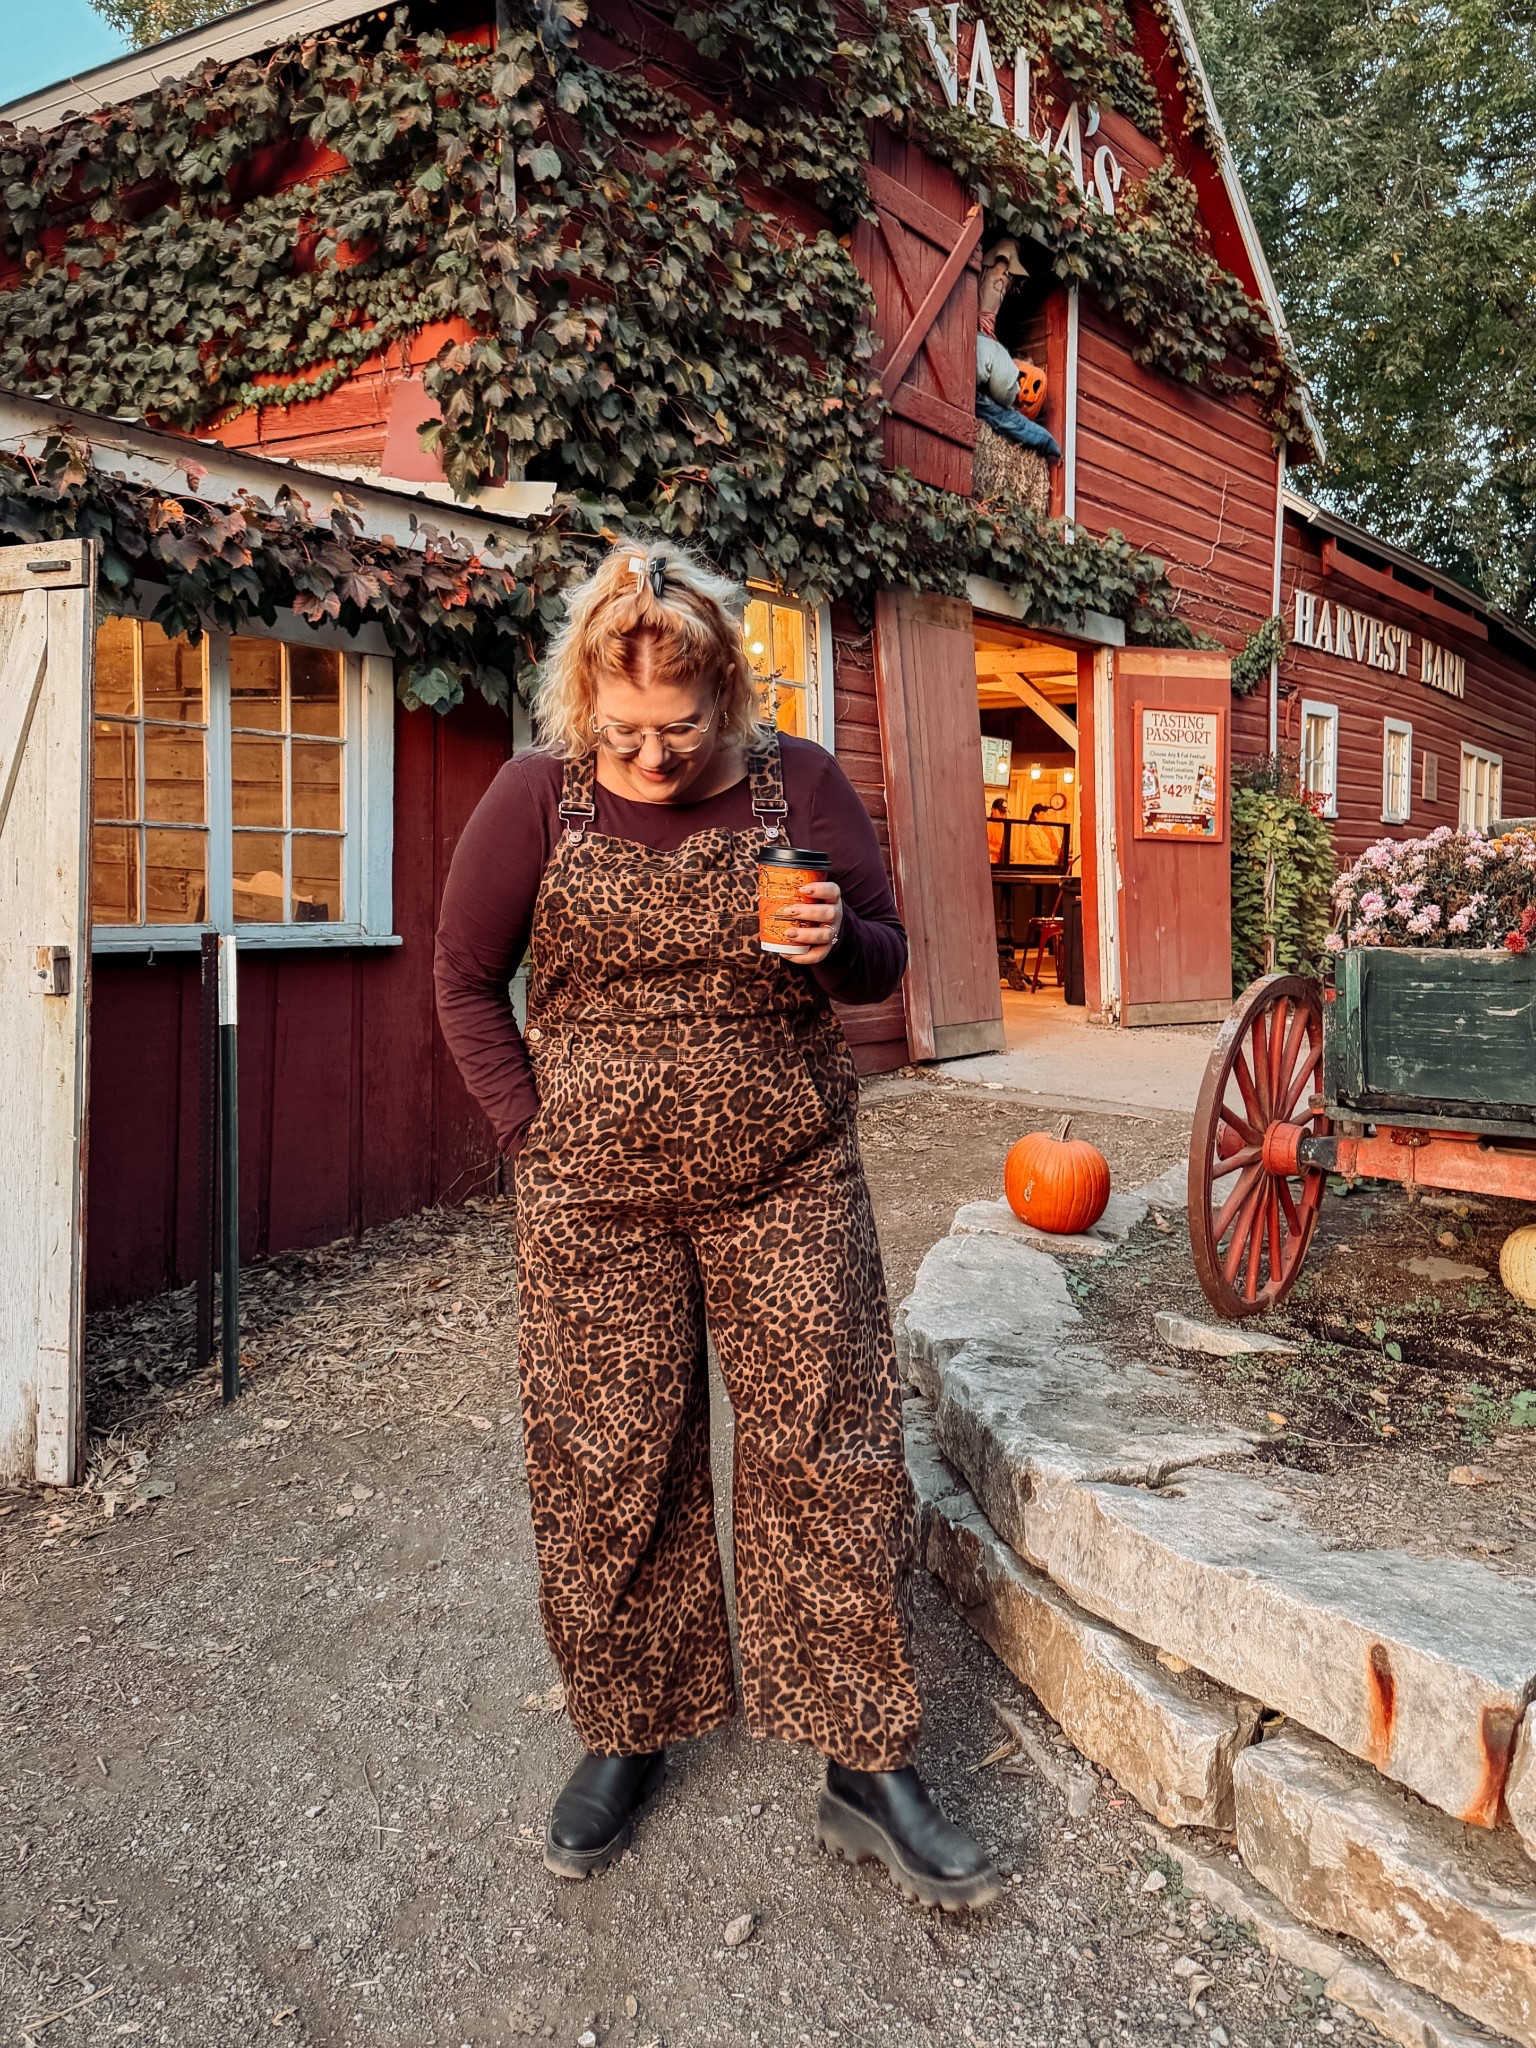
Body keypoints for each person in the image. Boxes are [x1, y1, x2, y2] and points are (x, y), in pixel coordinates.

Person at [434, 541, 999, 1911]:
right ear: (584, 700)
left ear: (726, 695)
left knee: (828, 1447)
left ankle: (866, 1759)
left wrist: (832, 948)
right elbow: (462, 982)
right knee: (612, 1460)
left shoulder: (793, 782)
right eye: (624, 731)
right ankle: (627, 1729)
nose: (654, 755)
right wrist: (531, 1135)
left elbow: (884, 952)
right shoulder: (533, 799)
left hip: (786, 1173)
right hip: (594, 1205)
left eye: (680, 727)